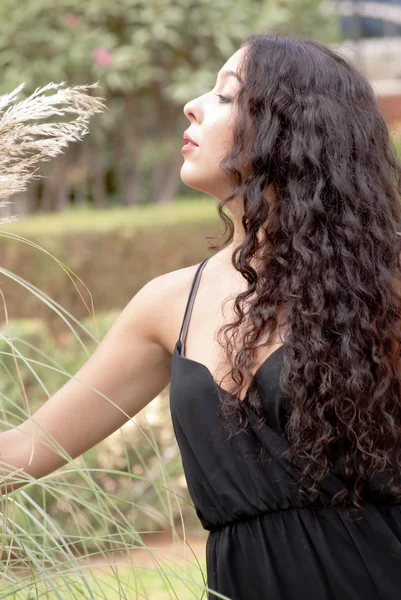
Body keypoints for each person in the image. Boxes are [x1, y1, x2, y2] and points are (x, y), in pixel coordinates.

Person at [1, 32, 401, 599]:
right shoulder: (167, 305)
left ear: (291, 126)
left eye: (226, 94)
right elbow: (22, 451)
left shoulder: (385, 277)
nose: (192, 105)